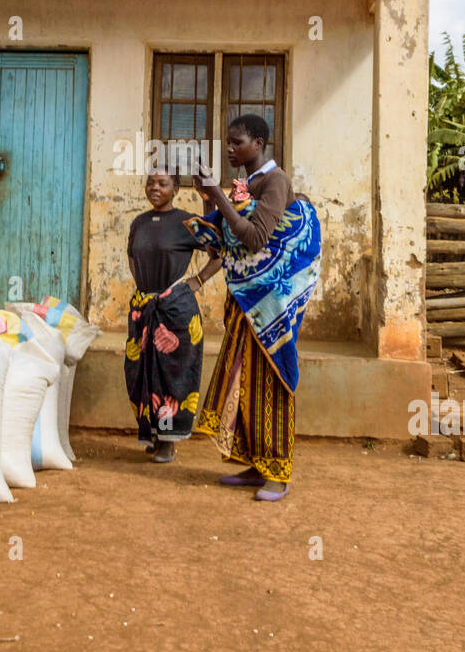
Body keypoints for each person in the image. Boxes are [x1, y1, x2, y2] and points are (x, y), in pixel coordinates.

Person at [185, 114, 321, 502]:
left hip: (271, 307)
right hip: (247, 303)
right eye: (227, 142)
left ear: (258, 142)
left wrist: (220, 198)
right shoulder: (247, 184)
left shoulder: (276, 182)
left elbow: (258, 239)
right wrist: (211, 199)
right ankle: (257, 463)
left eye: (237, 142)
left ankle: (279, 472)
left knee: (272, 380)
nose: (229, 148)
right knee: (245, 381)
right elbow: (230, 240)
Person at [125, 169, 222, 463]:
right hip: (144, 308)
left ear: (176, 189)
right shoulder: (138, 223)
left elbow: (218, 253)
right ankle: (153, 434)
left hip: (175, 312)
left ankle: (168, 440)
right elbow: (133, 258)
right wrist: (145, 292)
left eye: (162, 184)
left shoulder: (186, 223)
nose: (155, 188)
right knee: (141, 375)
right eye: (150, 183)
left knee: (170, 377)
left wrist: (198, 280)